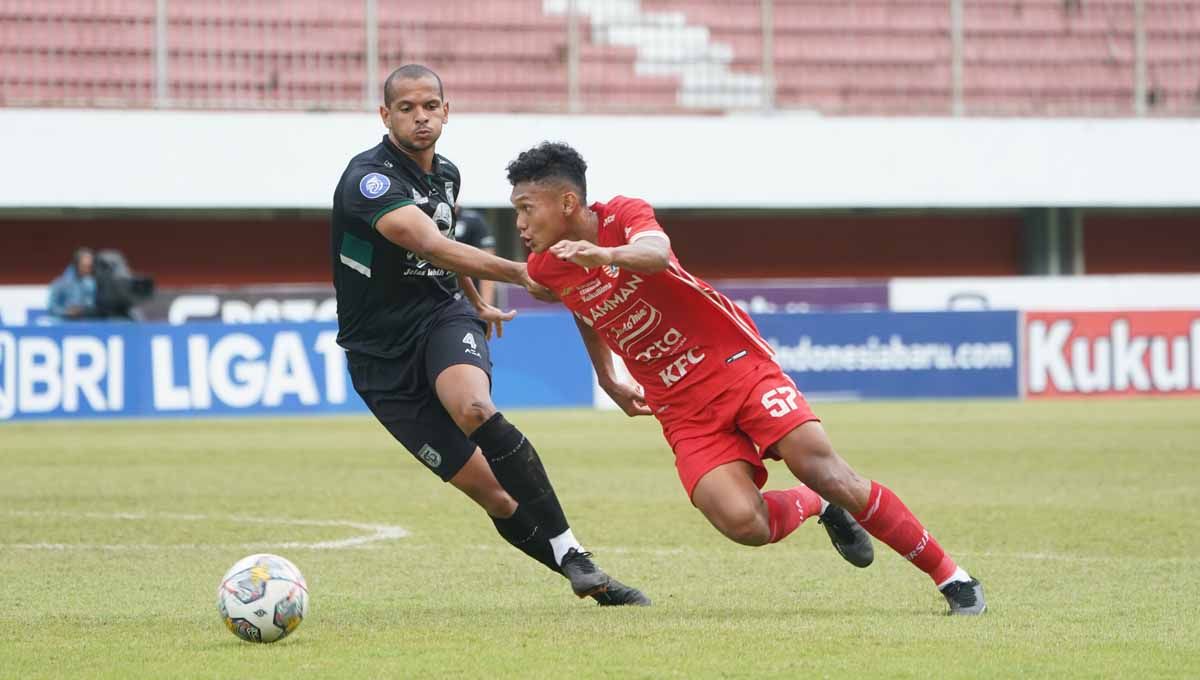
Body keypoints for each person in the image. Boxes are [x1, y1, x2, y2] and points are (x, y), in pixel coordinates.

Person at [507, 141, 986, 615]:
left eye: (527, 208)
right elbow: (581, 306)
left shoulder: (622, 215)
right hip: (680, 408)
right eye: (516, 212)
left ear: (567, 202)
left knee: (824, 468)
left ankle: (954, 579)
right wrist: (607, 376)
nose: (520, 224)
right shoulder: (547, 266)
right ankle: (815, 504)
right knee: (744, 523)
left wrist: (605, 255)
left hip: (734, 365)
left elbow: (655, 253)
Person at [330, 65, 648, 606]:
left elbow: (445, 244)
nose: (420, 117)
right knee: (496, 497)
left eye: (430, 106)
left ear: (446, 111)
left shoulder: (446, 174)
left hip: (440, 318)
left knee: (474, 407)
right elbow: (428, 243)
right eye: (406, 108)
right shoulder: (369, 180)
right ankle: (581, 573)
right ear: (385, 116)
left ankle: (576, 556)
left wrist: (475, 302)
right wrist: (521, 273)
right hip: (377, 358)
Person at [452, 205, 498, 307]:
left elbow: (488, 264)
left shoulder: (473, 221)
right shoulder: (428, 219)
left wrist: (486, 305)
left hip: (469, 300)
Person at [47, 247, 98, 320]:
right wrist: (66, 312)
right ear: (76, 264)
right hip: (63, 322)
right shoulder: (61, 283)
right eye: (84, 266)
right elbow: (52, 307)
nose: (88, 270)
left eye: (90, 267)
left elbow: (93, 305)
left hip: (85, 321)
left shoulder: (92, 282)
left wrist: (84, 310)